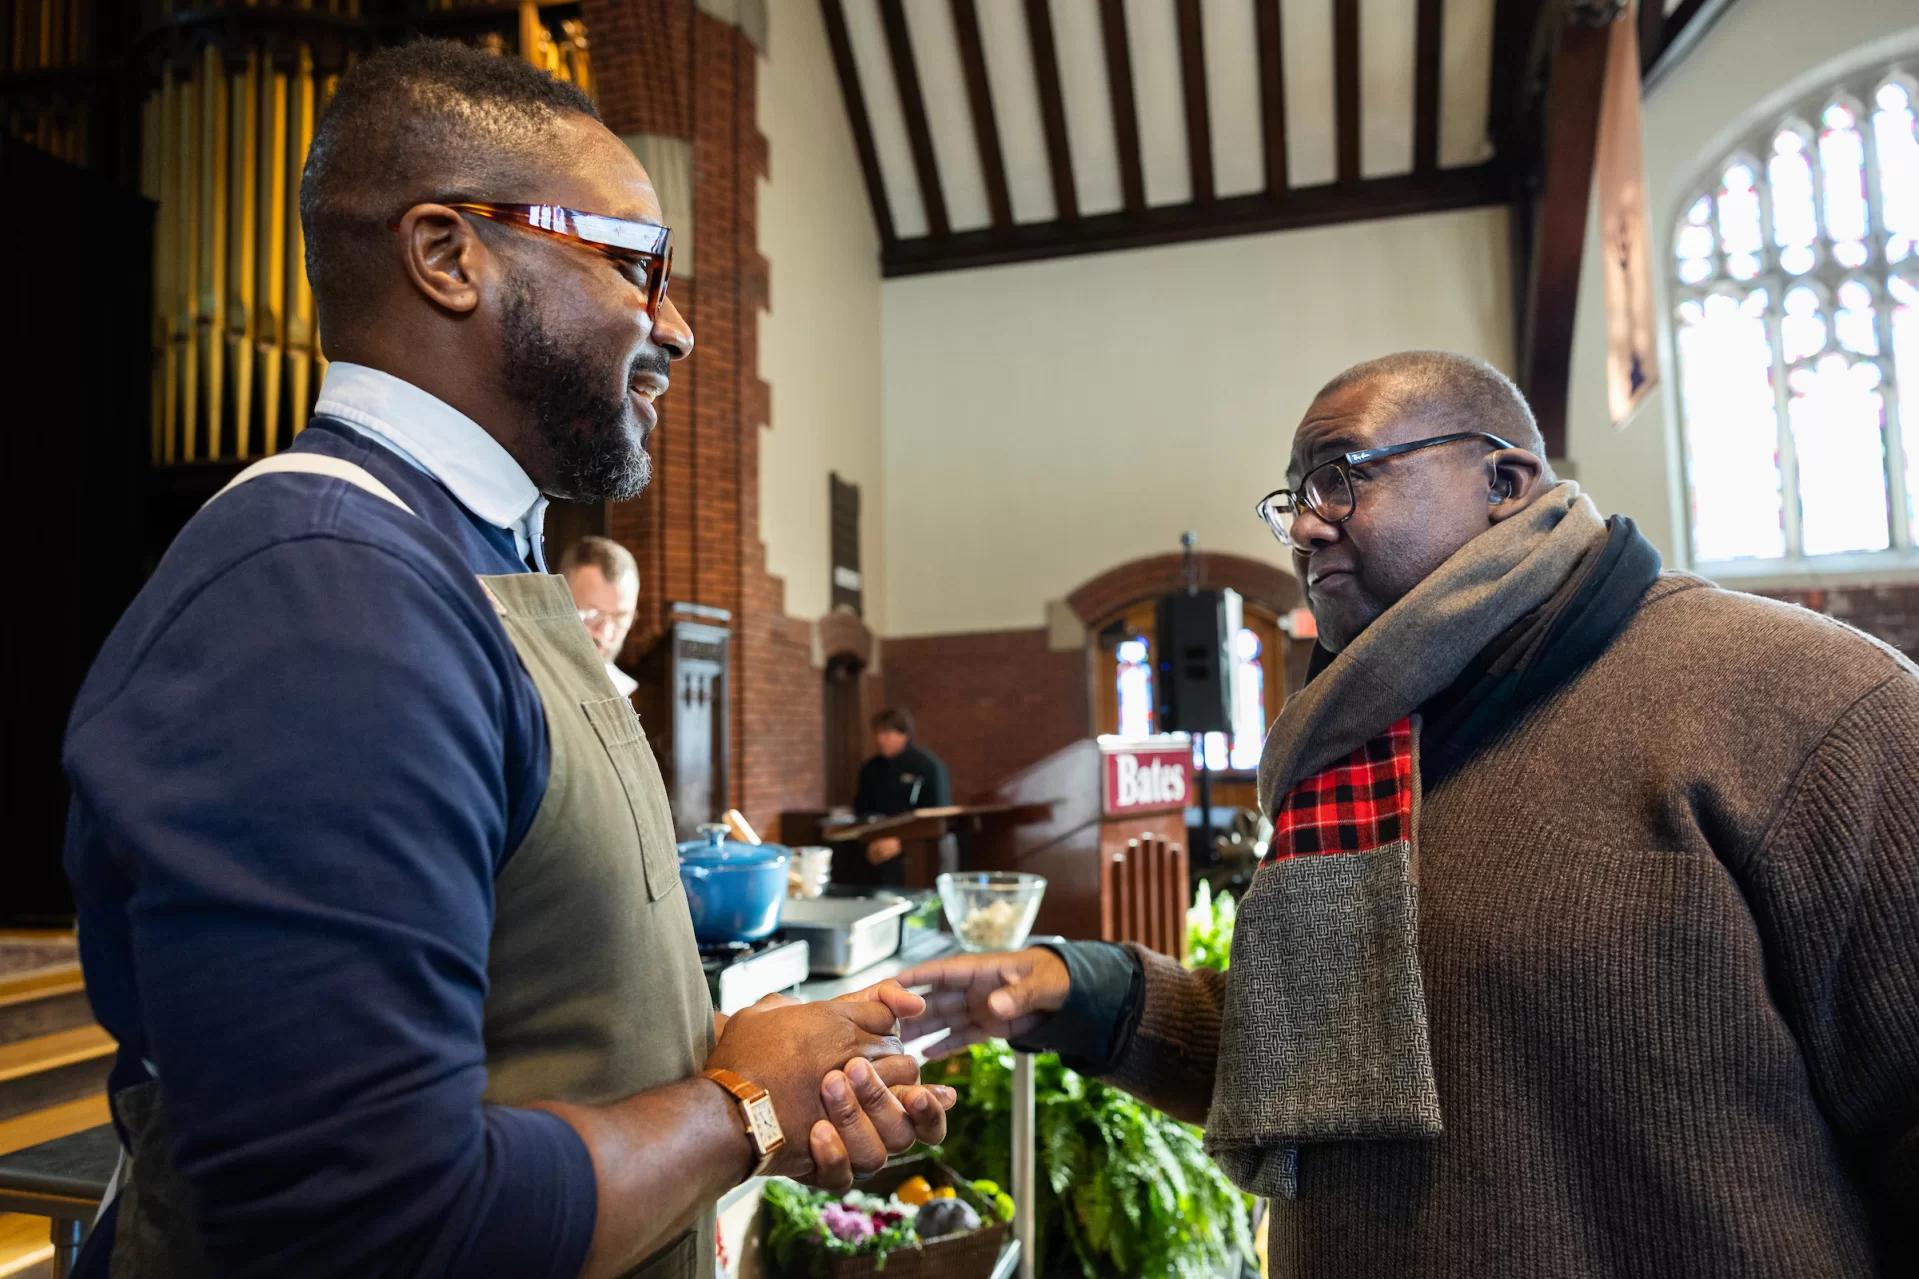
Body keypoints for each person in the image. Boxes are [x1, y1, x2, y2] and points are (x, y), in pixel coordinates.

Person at [62, 43, 952, 1279]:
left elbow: (537, 1015)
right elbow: (369, 1227)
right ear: (448, 256)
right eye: (637, 264)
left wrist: (746, 1055)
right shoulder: (322, 596)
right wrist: (745, 1103)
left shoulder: (467, 558)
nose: (678, 329)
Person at [901, 351, 1919, 1277]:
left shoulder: (1803, 701)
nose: (1304, 523)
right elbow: (1336, 1053)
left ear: (1502, 483)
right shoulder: (1359, 742)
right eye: (1294, 495)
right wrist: (1080, 993)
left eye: (1343, 473)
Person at [852, 707, 951, 883]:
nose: (880, 740)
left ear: (904, 735)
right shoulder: (871, 768)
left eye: (887, 733)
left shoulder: (927, 766)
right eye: (877, 733)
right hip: (876, 847)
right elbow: (862, 809)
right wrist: (871, 840)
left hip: (918, 851)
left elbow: (937, 815)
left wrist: (902, 841)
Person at [562, 534, 640, 697]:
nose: (605, 633)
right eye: (592, 614)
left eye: (620, 618)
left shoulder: (627, 695)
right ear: (559, 601)